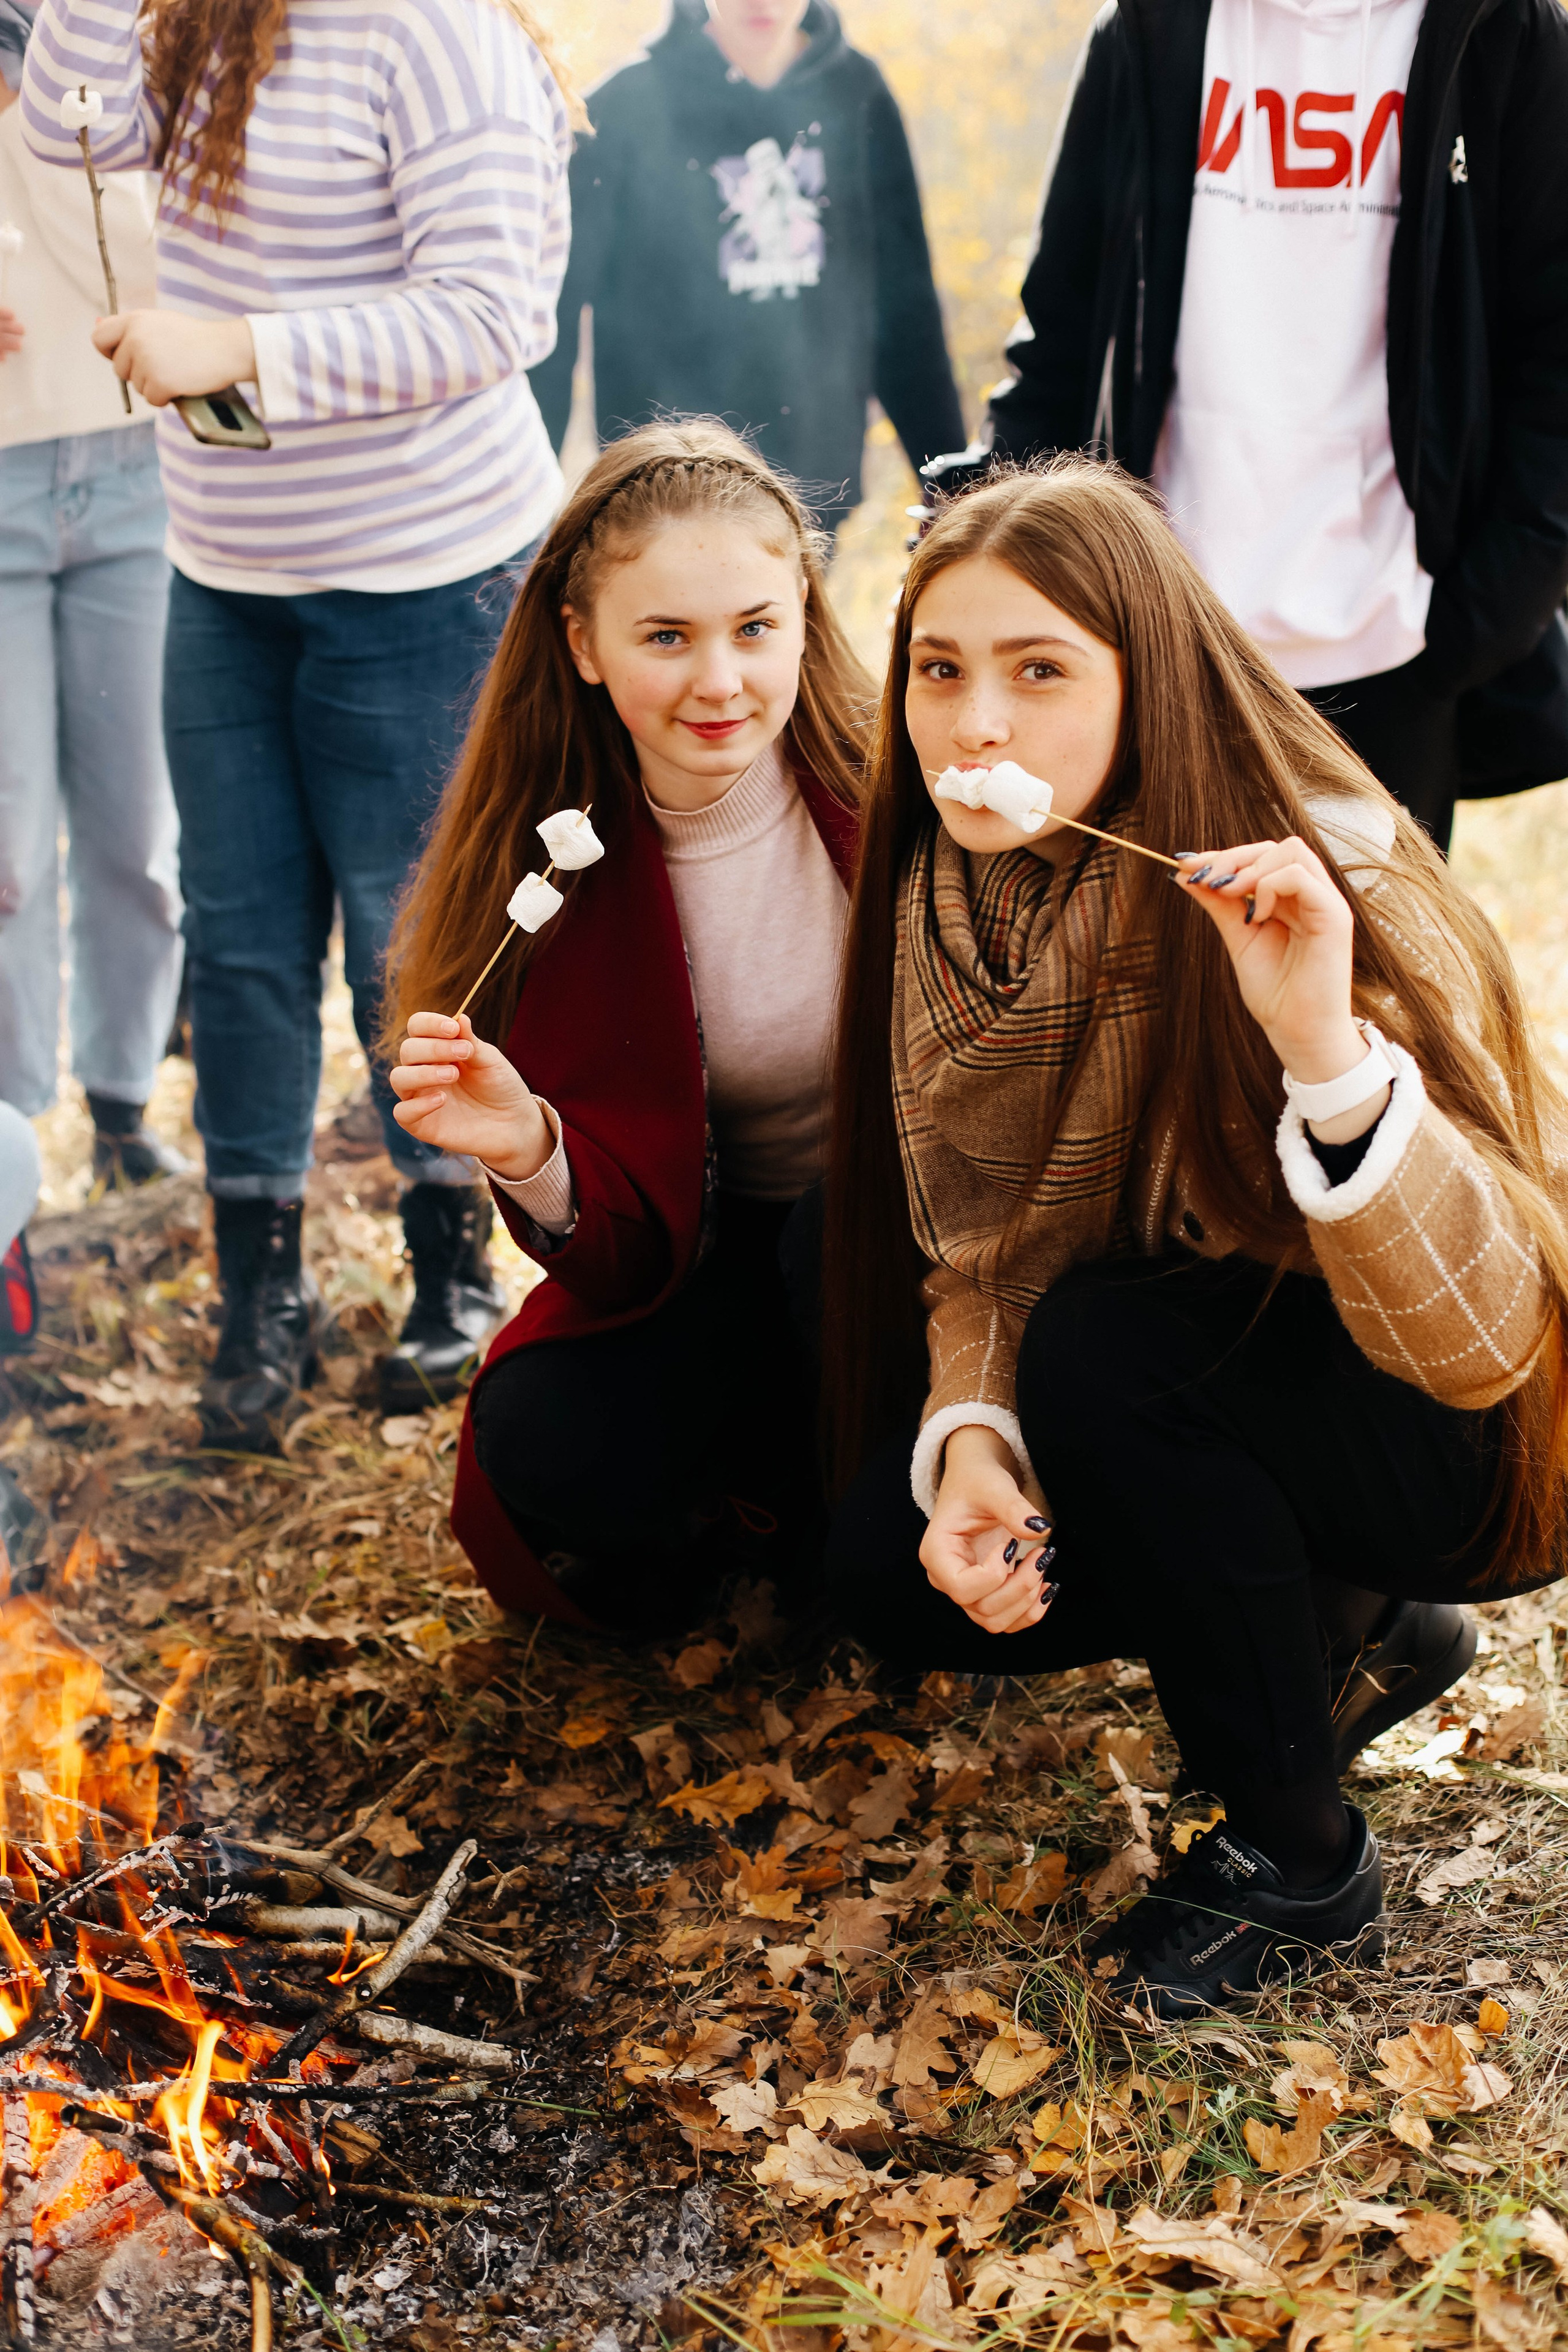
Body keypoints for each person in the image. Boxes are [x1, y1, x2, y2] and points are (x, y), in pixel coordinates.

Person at [822, 459, 1568, 2018]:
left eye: (1038, 672)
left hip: (1483, 1435)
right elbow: (984, 1255)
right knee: (887, 1569)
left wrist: (1320, 1047)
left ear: (1145, 673)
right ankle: (1363, 1631)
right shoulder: (937, 903)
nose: (975, 725)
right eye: (938, 670)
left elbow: (1480, 1338)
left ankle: (1297, 1858)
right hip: (1242, 1379)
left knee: (1110, 1346)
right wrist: (974, 1440)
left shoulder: (1328, 873)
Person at [21, 0, 576, 1444]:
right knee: (241, 942)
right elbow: (71, 129)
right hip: (224, 575)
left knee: (410, 934)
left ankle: (451, 1266)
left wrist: (241, 346)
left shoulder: (432, 32)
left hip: (421, 579)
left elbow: (495, 312)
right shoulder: (206, 17)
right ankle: (258, 1290)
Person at [382, 420, 867, 1635]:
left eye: (754, 628)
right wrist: (531, 1148)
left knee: (829, 1247)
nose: (720, 681)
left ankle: (842, 1512)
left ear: (804, 620)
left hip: (898, 1255)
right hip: (705, 1264)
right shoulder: (548, 884)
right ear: (583, 645)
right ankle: (755, 1507)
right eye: (666, 637)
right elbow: (618, 1258)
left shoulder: (896, 799)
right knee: (544, 1434)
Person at [923, 0, 1568, 852]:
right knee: (1136, 941)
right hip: (1151, 640)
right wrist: (989, 556)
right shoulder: (1149, 27)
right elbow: (1063, 333)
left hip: (1394, 650)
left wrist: (1480, 618)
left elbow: (1555, 354)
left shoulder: (1503, 31)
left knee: (1358, 946)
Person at [528, 0, 964, 530]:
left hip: (814, 493)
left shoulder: (857, 93)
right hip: (662, 497)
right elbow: (552, 324)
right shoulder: (622, 109)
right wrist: (530, 515)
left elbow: (907, 307)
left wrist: (954, 499)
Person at [0, 7, 184, 1189]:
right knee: (6, 846)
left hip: (136, 470)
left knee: (137, 831)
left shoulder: (123, 35)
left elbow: (187, 245)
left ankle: (123, 1102)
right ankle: (9, 1141)